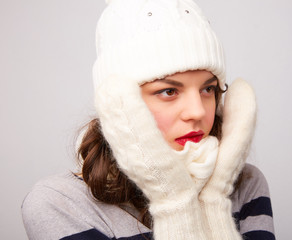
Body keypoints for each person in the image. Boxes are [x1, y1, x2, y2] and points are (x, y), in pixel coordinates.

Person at [22, 0, 275, 239]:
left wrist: (214, 200)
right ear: (119, 104)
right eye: (169, 91)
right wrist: (175, 203)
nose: (197, 112)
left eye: (207, 89)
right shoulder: (61, 203)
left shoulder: (244, 184)